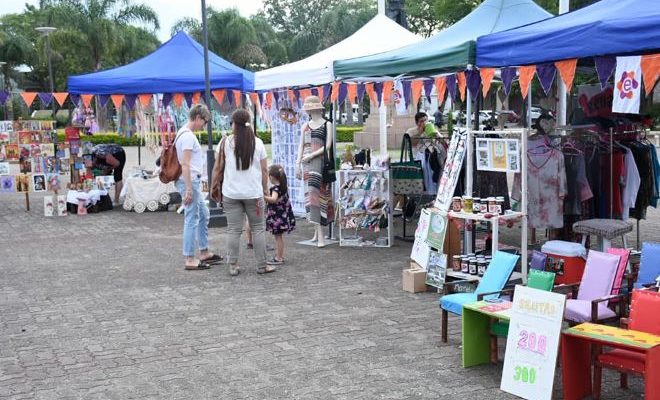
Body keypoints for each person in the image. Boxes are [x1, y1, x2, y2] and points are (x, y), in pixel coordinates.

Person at [211, 109, 273, 276]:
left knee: (233, 230)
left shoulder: (225, 143)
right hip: (254, 193)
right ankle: (262, 265)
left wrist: (213, 187)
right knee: (258, 228)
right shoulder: (258, 143)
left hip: (231, 194)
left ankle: (233, 265)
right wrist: (265, 189)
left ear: (234, 124)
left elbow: (217, 168)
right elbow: (265, 170)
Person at [175, 104, 222, 271]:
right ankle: (189, 257)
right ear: (197, 118)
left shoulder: (183, 133)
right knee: (192, 218)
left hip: (190, 181)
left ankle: (203, 251)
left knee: (203, 213)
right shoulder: (187, 136)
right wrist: (188, 189)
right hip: (190, 182)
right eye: (204, 121)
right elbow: (185, 164)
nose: (204, 125)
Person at [296, 95, 334, 248]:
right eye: (308, 109)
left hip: (319, 163)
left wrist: (311, 155)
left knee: (318, 197)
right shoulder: (305, 125)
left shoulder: (327, 124)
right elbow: (300, 145)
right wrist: (298, 163)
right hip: (306, 164)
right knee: (311, 197)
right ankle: (317, 234)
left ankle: (320, 236)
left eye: (312, 108)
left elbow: (328, 145)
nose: (311, 111)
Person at [264, 165, 296, 265]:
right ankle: (280, 256)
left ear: (272, 177)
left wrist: (262, 197)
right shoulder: (283, 187)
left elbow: (273, 199)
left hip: (277, 217)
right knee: (279, 237)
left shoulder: (276, 188)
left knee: (278, 238)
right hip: (282, 216)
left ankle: (279, 257)